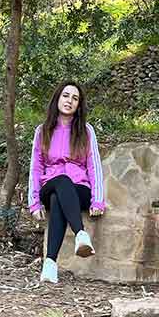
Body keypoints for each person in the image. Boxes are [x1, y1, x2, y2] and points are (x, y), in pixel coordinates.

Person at [27, 81, 106, 284]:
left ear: (79, 106)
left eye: (75, 98)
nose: (69, 101)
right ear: (57, 99)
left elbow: (94, 165)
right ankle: (80, 234)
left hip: (79, 188)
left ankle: (50, 264)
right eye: (65, 95)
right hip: (50, 184)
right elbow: (35, 168)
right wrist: (34, 202)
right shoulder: (42, 130)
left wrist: (97, 200)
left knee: (57, 199)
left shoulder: (86, 131)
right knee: (59, 183)